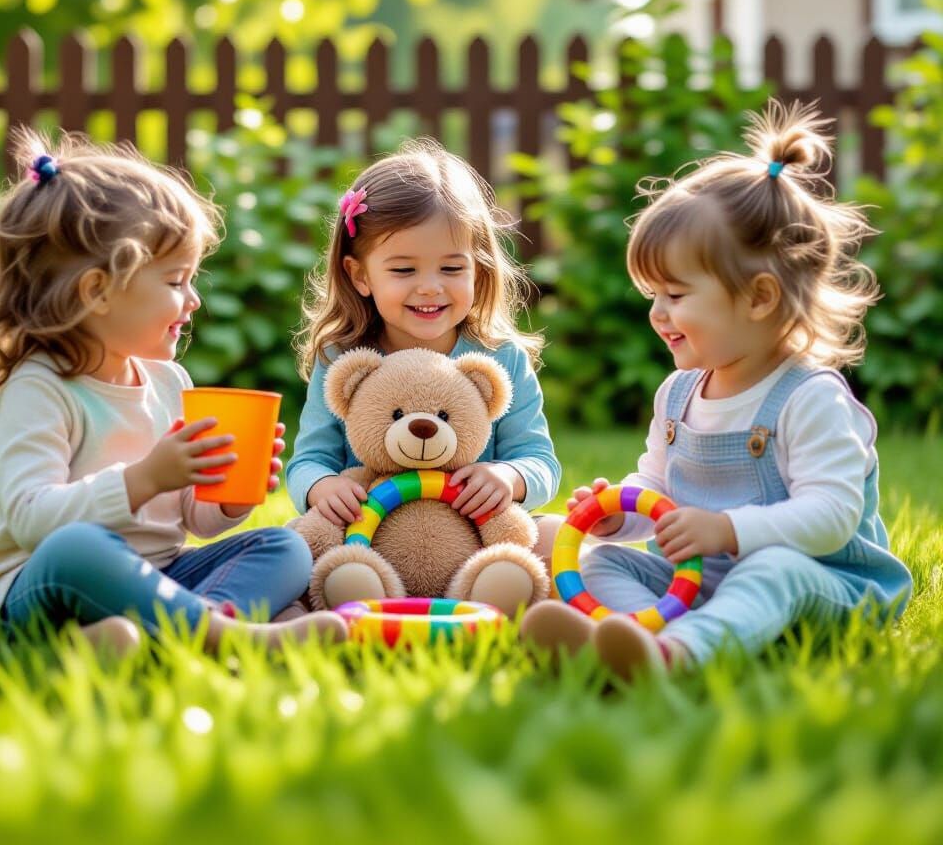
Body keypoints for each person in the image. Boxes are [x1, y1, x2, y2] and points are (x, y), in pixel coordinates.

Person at [521, 102, 912, 679]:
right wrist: (618, 516)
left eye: (676, 295)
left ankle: (679, 655)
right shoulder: (679, 394)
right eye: (652, 294)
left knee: (773, 569)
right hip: (704, 582)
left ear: (759, 297)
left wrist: (727, 530)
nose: (657, 313)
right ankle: (627, 642)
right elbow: (656, 488)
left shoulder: (809, 397)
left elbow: (831, 515)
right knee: (602, 560)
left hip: (823, 583)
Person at [0, 130, 346, 655]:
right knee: (77, 548)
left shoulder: (167, 383)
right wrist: (143, 478)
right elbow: (30, 522)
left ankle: (159, 634)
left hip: (158, 574)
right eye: (176, 280)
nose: (194, 300)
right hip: (39, 585)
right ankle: (224, 633)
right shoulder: (39, 390)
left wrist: (226, 498)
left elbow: (189, 522)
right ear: (98, 292)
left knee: (285, 546)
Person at [286, 139, 560, 542]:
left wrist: (509, 476)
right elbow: (308, 460)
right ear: (360, 275)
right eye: (403, 270)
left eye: (451, 268)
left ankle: (504, 590)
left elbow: (541, 462)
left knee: (553, 533)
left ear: (478, 272)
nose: (430, 288)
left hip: (472, 543)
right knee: (291, 544)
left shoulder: (500, 358)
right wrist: (321, 487)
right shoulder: (342, 358)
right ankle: (335, 595)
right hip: (370, 541)